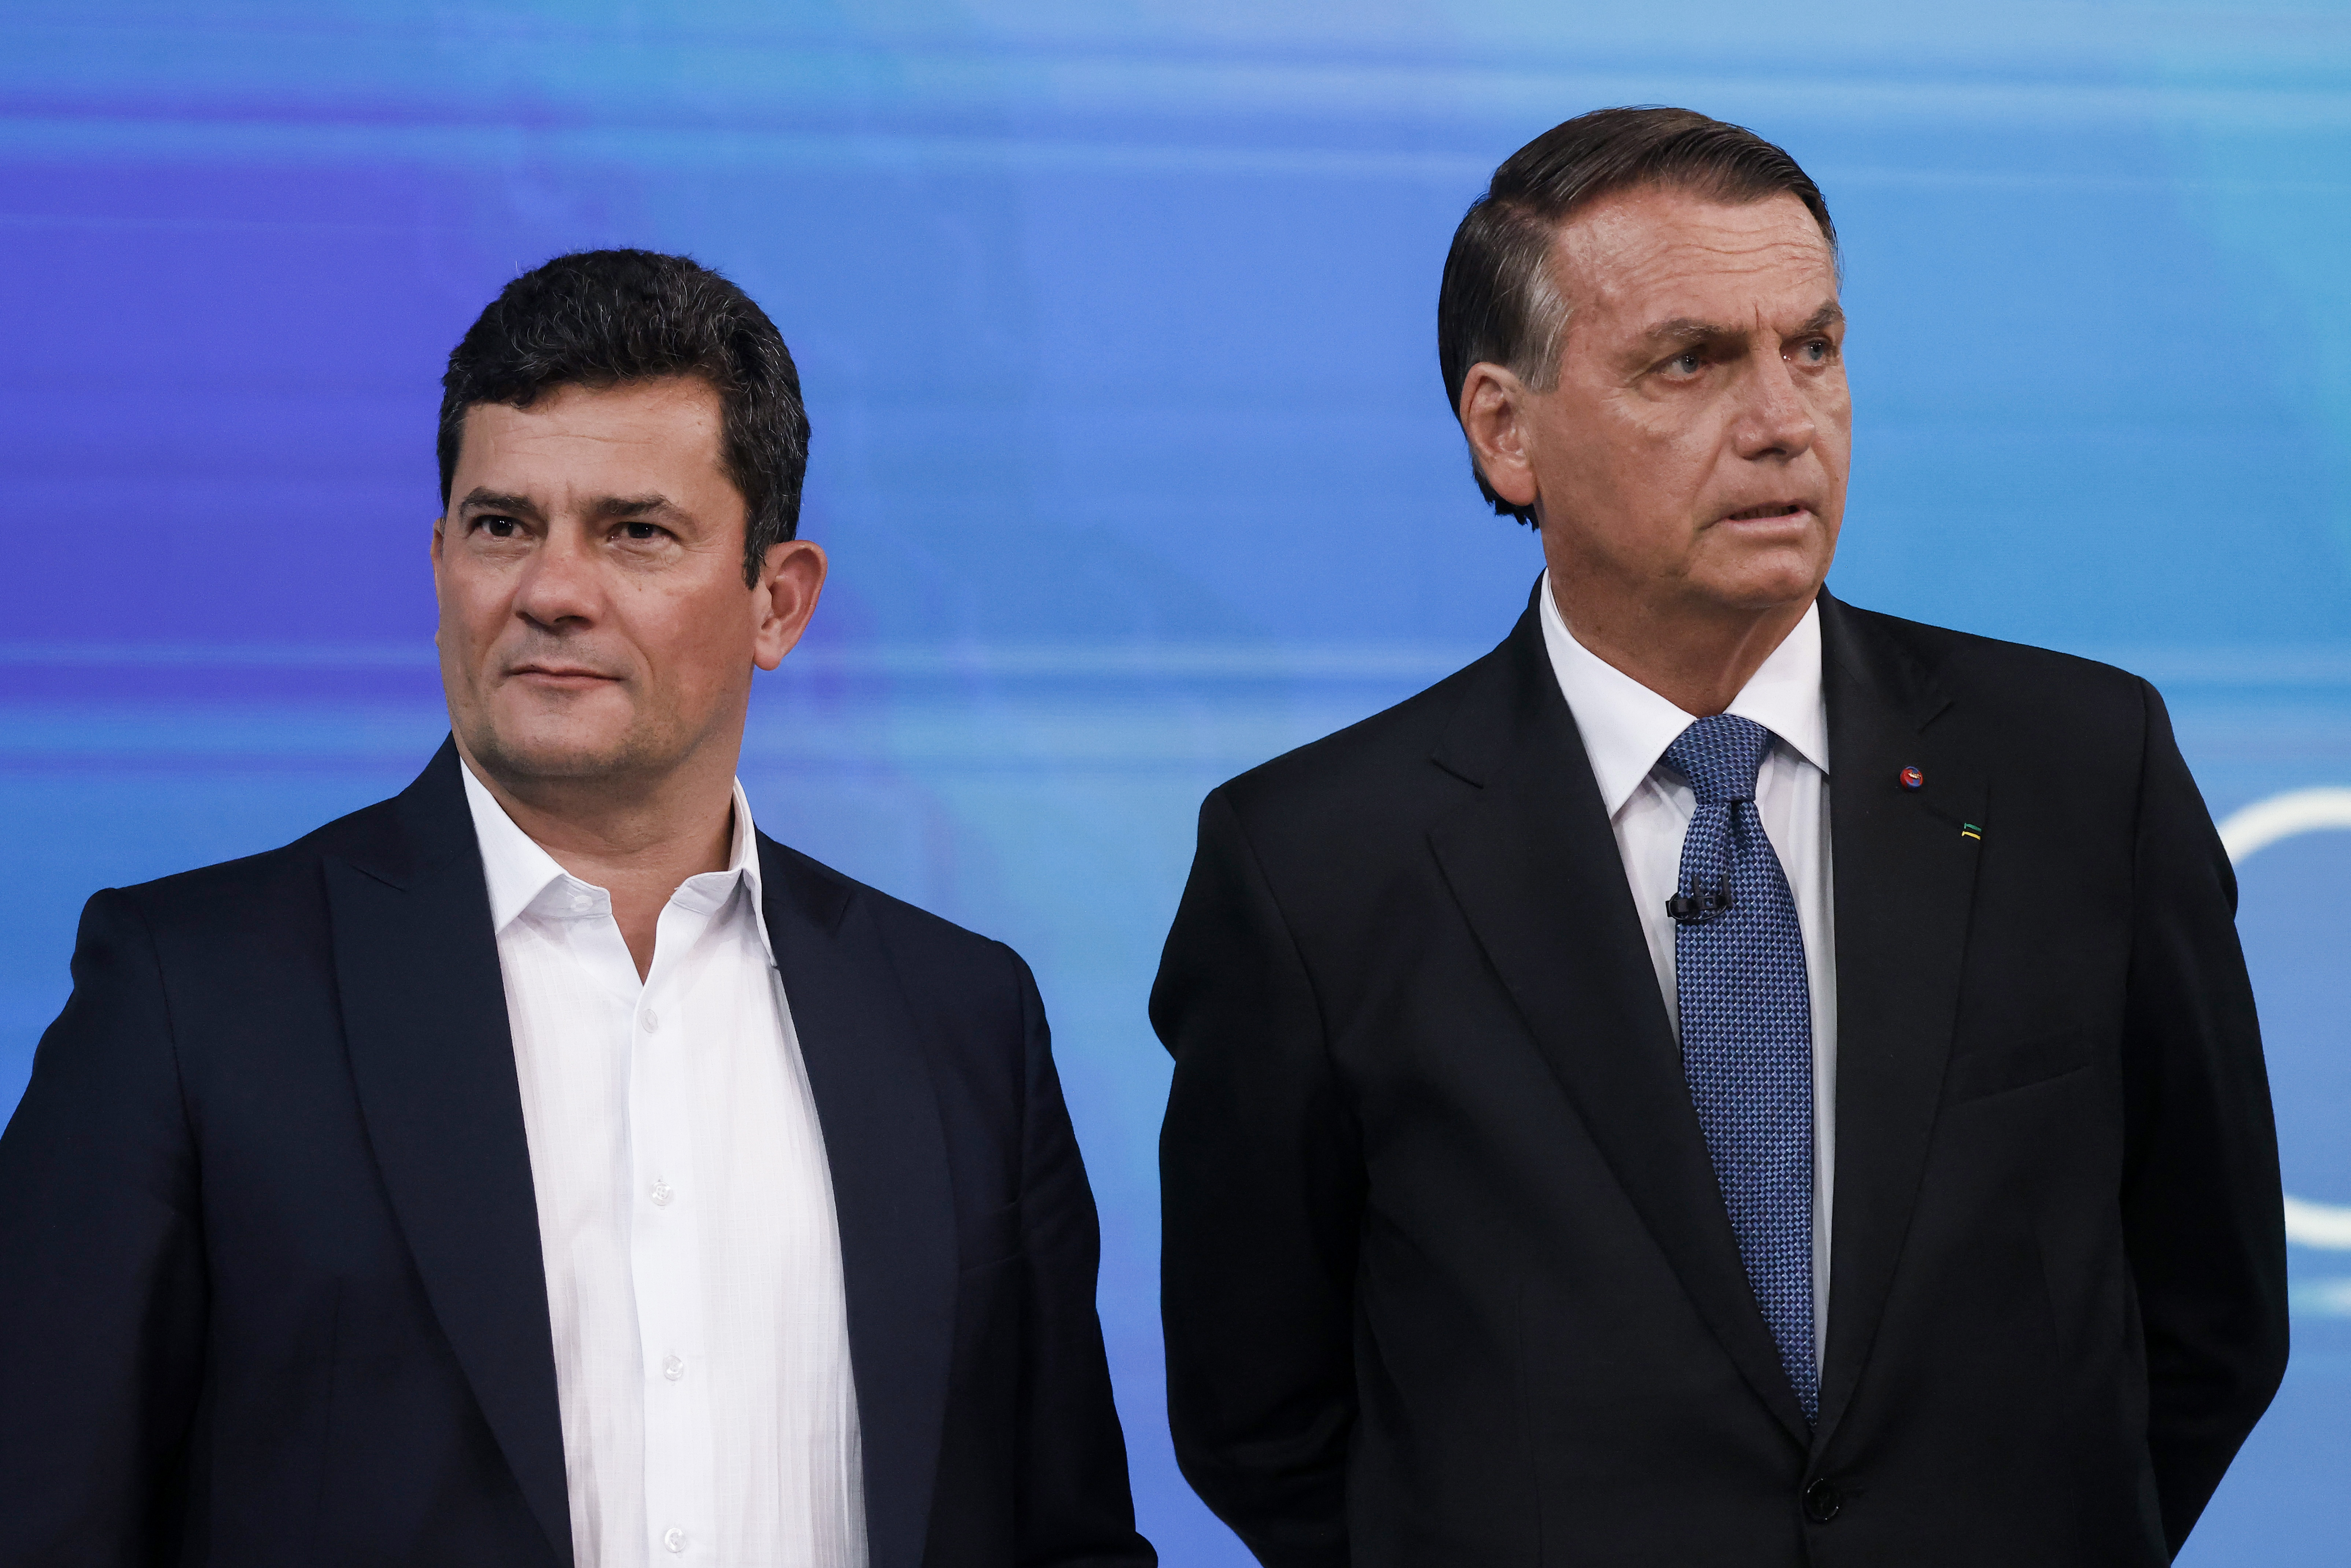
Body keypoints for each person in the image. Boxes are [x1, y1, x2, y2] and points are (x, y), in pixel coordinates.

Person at [1152, 108, 2288, 1565]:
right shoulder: (1313, 863)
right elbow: (1259, 1413)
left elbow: (2209, 1317)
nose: (1781, 421)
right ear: (1505, 430)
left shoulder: (2080, 769)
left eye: (1811, 348)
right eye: (1689, 362)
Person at [0, 249, 1154, 1568]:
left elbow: (1063, 1536)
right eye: (502, 526)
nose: (551, 591)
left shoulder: (964, 1021)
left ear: (778, 603)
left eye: (635, 532)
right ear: (441, 560)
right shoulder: (189, 998)